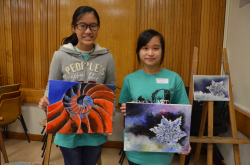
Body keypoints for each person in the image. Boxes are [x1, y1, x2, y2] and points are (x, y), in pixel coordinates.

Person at [38, 6, 116, 165]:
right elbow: (51, 86)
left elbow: (110, 93)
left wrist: (109, 117)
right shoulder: (59, 55)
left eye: (93, 26)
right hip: (68, 129)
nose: (88, 31)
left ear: (98, 28)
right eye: (83, 25)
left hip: (94, 129)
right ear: (74, 28)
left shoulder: (107, 58)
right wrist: (46, 101)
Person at [118, 29, 191, 165]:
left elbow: (184, 113)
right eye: (145, 48)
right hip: (136, 147)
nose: (150, 53)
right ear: (138, 51)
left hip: (162, 150)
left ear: (162, 51)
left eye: (155, 48)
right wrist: (126, 108)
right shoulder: (130, 79)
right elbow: (123, 109)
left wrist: (185, 140)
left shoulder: (174, 78)